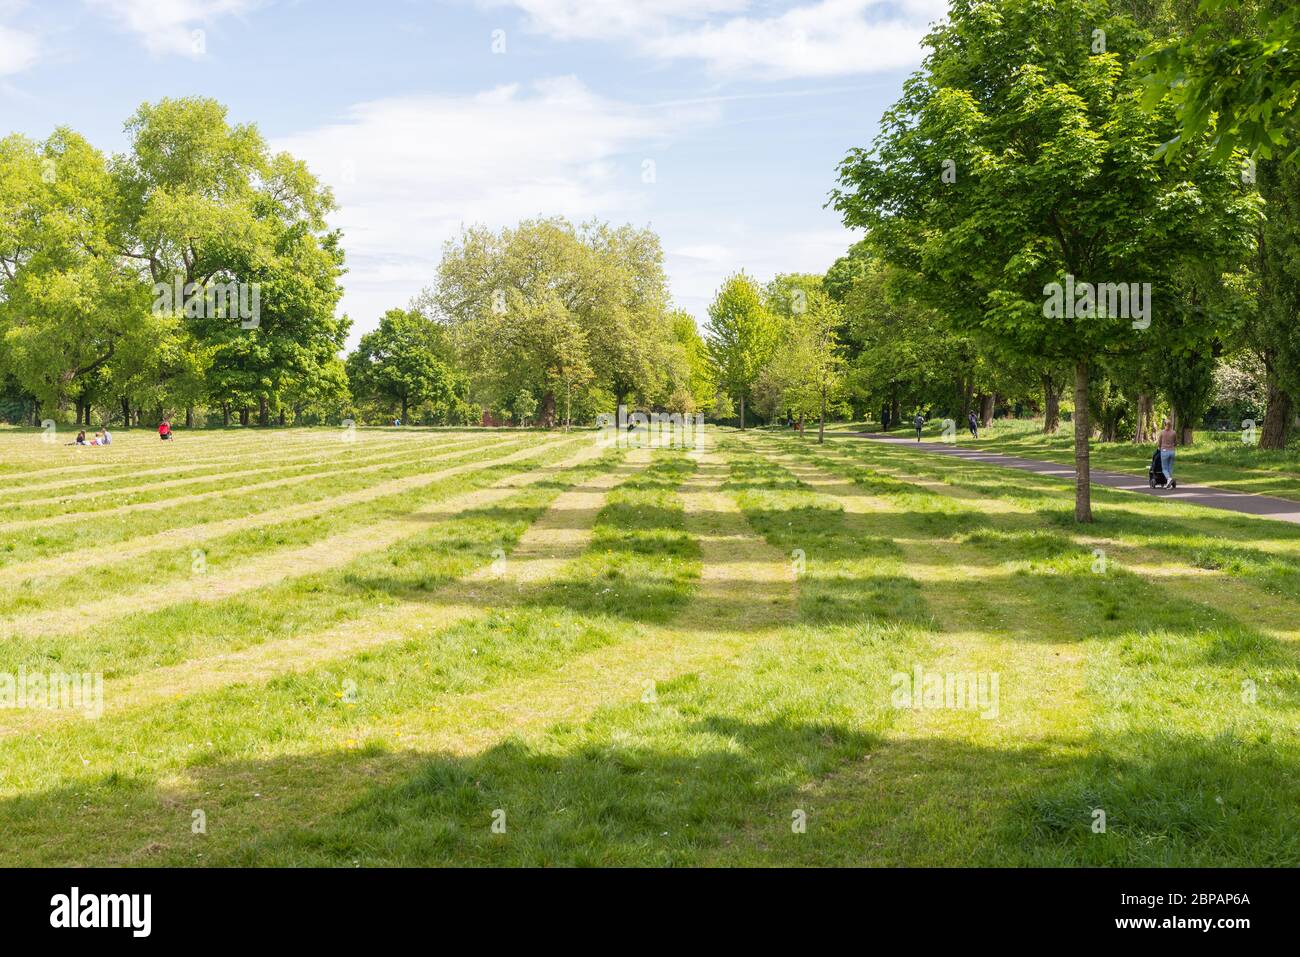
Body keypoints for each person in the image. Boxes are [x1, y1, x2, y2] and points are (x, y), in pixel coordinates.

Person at [1157, 418, 1177, 489]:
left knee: (1164, 469)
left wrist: (1159, 447)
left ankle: (1168, 479)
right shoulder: (1174, 432)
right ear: (1171, 425)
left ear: (1164, 425)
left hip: (1164, 451)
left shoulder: (1162, 432)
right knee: (1170, 468)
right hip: (1172, 451)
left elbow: (1159, 442)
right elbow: (1175, 442)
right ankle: (1169, 484)